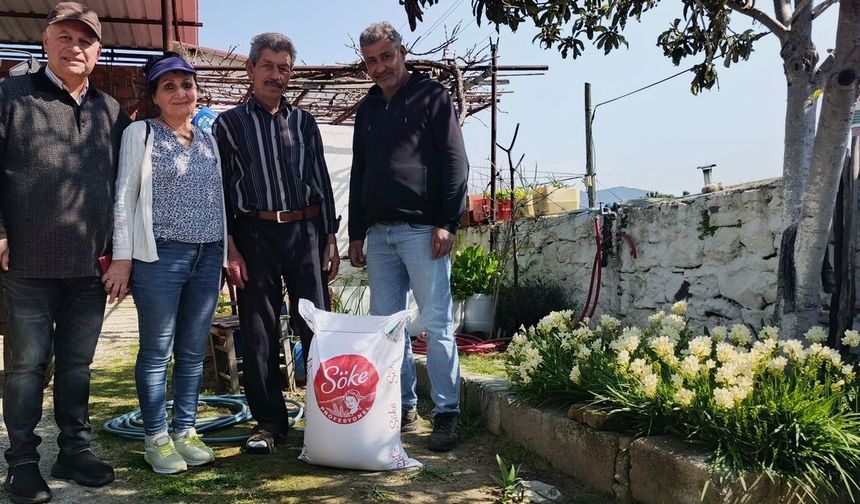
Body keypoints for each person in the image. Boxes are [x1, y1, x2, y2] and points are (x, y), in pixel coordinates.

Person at [0, 3, 130, 502]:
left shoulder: (110, 111)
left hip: (88, 268)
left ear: (97, 51)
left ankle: (74, 450)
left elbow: (123, 190)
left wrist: (121, 254)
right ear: (46, 41)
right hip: (27, 263)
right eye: (66, 37)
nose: (76, 47)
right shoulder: (11, 96)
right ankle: (22, 461)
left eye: (86, 40)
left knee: (77, 365)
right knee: (26, 366)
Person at [212, 32, 340, 454]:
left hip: (305, 233)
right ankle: (268, 422)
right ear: (250, 69)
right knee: (259, 331)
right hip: (253, 235)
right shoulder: (227, 125)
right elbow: (221, 193)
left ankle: (328, 416)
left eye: (284, 68)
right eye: (267, 66)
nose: (276, 75)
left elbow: (320, 181)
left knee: (316, 328)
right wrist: (230, 248)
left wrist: (330, 238)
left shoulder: (305, 123)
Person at [102, 53, 227, 474]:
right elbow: (123, 196)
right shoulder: (142, 133)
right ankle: (156, 437)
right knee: (157, 351)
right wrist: (122, 259)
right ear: (154, 95)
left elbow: (220, 200)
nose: (180, 92)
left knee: (192, 351)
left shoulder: (210, 137)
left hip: (208, 254)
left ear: (197, 91)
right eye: (168, 86)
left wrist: (225, 254)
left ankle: (184, 431)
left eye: (186, 84)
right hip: (161, 254)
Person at [348, 22, 469, 452]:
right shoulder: (367, 109)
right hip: (379, 236)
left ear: (402, 51)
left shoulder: (432, 97)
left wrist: (447, 221)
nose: (379, 67)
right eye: (371, 61)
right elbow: (359, 172)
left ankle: (447, 413)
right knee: (388, 329)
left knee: (436, 325)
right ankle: (400, 407)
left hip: (424, 230)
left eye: (386, 56)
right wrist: (356, 233)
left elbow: (456, 161)